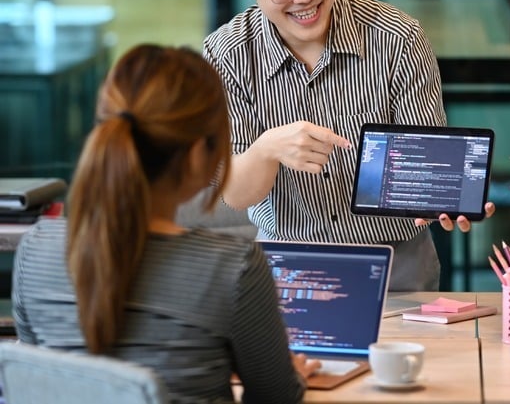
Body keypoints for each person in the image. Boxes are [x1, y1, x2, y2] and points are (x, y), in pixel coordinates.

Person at [203, 0, 493, 291]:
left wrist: (444, 198)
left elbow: (426, 169)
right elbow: (235, 195)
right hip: (290, 266)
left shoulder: (398, 38)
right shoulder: (226, 55)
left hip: (397, 263)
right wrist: (269, 149)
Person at [12, 44, 320, 403]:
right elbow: (276, 398)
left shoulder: (36, 249)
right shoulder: (233, 266)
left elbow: (42, 381)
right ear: (195, 155)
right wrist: (291, 376)